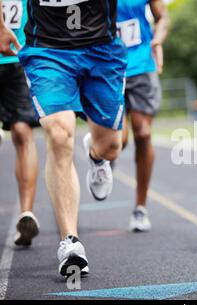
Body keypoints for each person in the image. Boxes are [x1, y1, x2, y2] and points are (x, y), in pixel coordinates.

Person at [0, 0, 127, 277]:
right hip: (47, 49)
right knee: (58, 132)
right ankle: (70, 242)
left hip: (101, 48)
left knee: (111, 146)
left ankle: (96, 155)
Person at [116, 0, 169, 232]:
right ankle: (101, 157)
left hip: (141, 65)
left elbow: (163, 17)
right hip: (108, 66)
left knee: (143, 133)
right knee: (119, 140)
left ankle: (140, 207)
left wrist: (157, 39)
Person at [0, 0, 40, 247]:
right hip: (16, 57)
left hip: (16, 58)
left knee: (23, 133)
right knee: (23, 134)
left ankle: (26, 213)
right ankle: (26, 210)